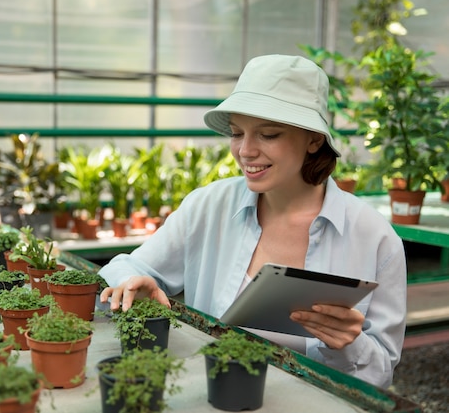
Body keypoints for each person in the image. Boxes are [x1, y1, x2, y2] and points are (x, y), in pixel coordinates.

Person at [98, 54, 406, 389]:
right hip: (214, 396)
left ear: (314, 139)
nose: (245, 150)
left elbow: (381, 371)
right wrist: (132, 283)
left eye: (268, 134)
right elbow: (124, 266)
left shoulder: (374, 238)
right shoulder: (208, 206)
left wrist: (349, 343)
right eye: (236, 133)